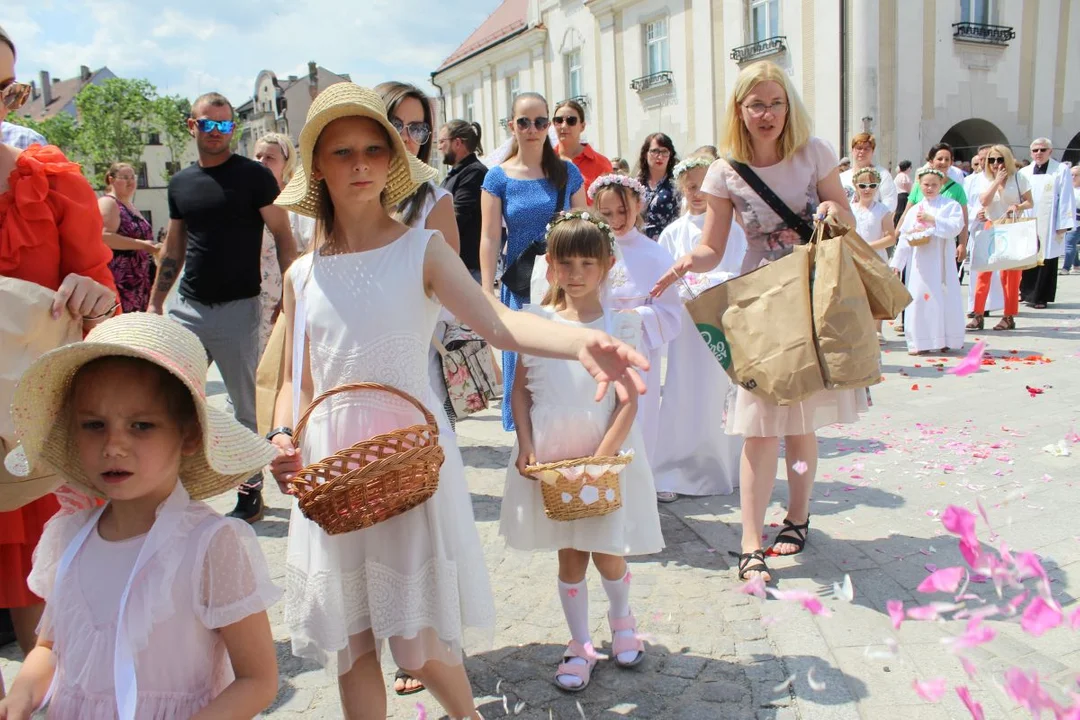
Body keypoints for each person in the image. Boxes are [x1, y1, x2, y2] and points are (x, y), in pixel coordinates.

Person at [266, 83, 648, 720]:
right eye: (340, 152)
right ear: (319, 167)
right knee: (352, 647)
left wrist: (579, 338)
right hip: (333, 466)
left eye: (371, 149)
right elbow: (294, 381)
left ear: (392, 162)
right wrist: (282, 436)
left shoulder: (422, 249)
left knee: (415, 646)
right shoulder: (302, 273)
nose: (358, 164)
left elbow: (496, 320)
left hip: (409, 456)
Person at [0, 313, 281, 720]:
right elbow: (49, 647)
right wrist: (22, 694)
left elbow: (257, 679)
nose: (114, 445)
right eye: (94, 425)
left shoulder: (210, 545)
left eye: (141, 426)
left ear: (188, 435)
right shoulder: (68, 536)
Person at [651, 60, 863, 584]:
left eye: (775, 103)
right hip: (763, 302)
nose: (766, 114)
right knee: (758, 425)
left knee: (802, 422)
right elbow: (712, 246)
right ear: (740, 111)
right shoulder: (724, 172)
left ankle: (796, 517)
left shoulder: (813, 152)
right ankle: (750, 541)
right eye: (755, 104)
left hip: (814, 294)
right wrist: (683, 263)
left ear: (787, 107)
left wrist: (834, 213)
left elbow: (846, 214)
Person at [0, 24, 121, 701]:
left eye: (3, 90)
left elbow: (100, 300)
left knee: (45, 629)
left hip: (28, 437)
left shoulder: (48, 181)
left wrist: (92, 292)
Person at [499, 211, 663, 692]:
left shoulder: (622, 324)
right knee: (569, 556)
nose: (575, 274)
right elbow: (521, 391)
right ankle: (579, 644)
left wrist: (601, 462)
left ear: (607, 265)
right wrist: (526, 445)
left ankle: (622, 618)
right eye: (565, 263)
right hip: (553, 455)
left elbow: (629, 399)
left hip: (603, 451)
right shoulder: (537, 322)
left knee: (607, 552)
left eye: (587, 263)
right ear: (549, 266)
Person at [148, 91, 298, 524]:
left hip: (239, 308)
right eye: (208, 124)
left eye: (225, 124)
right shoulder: (181, 183)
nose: (217, 132)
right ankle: (164, 487)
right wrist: (156, 301)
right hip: (188, 308)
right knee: (169, 398)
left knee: (244, 406)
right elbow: (174, 244)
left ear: (232, 127)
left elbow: (284, 238)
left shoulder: (254, 177)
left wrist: (291, 296)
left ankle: (251, 491)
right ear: (192, 126)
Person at [378, 79, 463, 697]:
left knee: (419, 516)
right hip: (348, 380)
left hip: (410, 367)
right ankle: (392, 632)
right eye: (399, 125)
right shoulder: (334, 196)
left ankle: (426, 642)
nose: (411, 137)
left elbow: (450, 292)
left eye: (419, 127)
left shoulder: (432, 197)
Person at [480, 92, 587, 431]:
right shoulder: (498, 177)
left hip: (561, 286)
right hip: (520, 284)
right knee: (523, 372)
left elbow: (583, 230)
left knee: (560, 368)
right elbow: (490, 237)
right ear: (512, 125)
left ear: (548, 127)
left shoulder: (567, 173)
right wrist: (486, 291)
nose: (532, 129)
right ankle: (526, 449)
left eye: (541, 121)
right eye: (524, 122)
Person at [653, 155, 745, 500]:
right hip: (687, 328)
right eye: (690, 187)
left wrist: (713, 280)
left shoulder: (732, 231)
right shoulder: (674, 232)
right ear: (681, 189)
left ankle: (722, 464)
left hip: (720, 320)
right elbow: (663, 276)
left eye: (703, 186)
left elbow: (740, 270)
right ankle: (674, 468)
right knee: (683, 391)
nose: (697, 193)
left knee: (718, 393)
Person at [890, 168, 966, 355]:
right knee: (919, 299)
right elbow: (905, 238)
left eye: (934, 185)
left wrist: (933, 220)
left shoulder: (950, 205)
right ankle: (919, 341)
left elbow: (956, 227)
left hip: (942, 262)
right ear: (919, 185)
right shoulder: (915, 209)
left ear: (941, 185)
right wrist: (897, 264)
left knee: (943, 298)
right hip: (920, 264)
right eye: (926, 184)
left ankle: (945, 338)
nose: (930, 188)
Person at [253, 133, 314, 356]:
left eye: (270, 157)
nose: (262, 162)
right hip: (252, 295)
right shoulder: (247, 198)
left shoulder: (297, 199)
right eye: (258, 156)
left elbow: (309, 247)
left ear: (285, 163)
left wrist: (291, 293)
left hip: (289, 292)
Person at [966, 145, 1033, 331]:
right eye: (992, 160)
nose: (996, 164)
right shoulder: (984, 179)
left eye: (1000, 159)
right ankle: (978, 314)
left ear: (1007, 160)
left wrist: (1017, 207)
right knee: (983, 272)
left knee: (1009, 276)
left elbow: (1029, 201)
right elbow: (984, 201)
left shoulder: (1019, 177)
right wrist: (996, 182)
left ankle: (1008, 316)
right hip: (991, 226)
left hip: (1012, 226)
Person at [1018, 138, 1077, 307]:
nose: (1039, 153)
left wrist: (1063, 223)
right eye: (1035, 150)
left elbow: (1066, 197)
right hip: (1029, 219)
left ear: (1050, 152)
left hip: (1050, 221)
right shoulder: (1025, 172)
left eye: (1043, 150)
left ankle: (1041, 297)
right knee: (1028, 255)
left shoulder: (1060, 170)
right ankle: (1026, 292)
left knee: (1046, 257)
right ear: (1030, 153)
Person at [98, 162, 157, 313]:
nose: (131, 181)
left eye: (133, 177)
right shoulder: (109, 203)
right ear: (111, 180)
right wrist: (143, 245)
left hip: (139, 279)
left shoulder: (130, 205)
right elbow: (105, 237)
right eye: (125, 177)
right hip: (122, 280)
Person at [850, 166, 897, 341]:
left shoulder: (882, 210)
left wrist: (869, 246)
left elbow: (891, 238)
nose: (867, 189)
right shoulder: (851, 209)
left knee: (876, 292)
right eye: (862, 186)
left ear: (877, 187)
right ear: (856, 187)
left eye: (871, 185)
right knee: (857, 292)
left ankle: (877, 329)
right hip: (855, 256)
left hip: (876, 256)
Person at [439, 119, 488, 281]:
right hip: (456, 264)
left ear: (457, 143)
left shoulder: (474, 173)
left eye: (442, 141)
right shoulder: (456, 174)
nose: (439, 147)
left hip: (468, 268)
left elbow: (457, 215)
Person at [553, 100, 612, 205]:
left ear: (582, 126)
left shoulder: (601, 164)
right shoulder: (543, 161)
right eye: (559, 120)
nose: (564, 126)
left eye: (571, 121)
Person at [636, 132, 680, 239]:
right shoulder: (636, 184)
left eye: (664, 152)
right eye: (654, 151)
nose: (659, 156)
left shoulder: (676, 185)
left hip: (668, 242)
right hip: (641, 241)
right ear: (645, 154)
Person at [840, 133, 897, 213]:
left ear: (872, 151)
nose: (862, 152)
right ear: (852, 151)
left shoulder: (882, 174)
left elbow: (890, 202)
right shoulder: (842, 177)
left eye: (866, 149)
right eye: (859, 148)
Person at [1062, 165, 1080, 274]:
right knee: (1071, 244)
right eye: (1071, 175)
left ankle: (1065, 268)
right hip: (1066, 222)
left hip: (1077, 223)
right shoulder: (1067, 188)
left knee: (1069, 244)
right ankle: (1077, 265)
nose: (1073, 177)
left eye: (1076, 175)